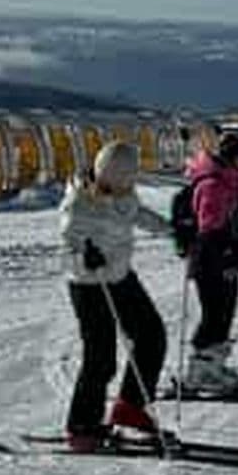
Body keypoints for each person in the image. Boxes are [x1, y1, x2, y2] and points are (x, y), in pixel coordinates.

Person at [59, 140, 171, 450]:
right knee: (101, 357)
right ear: (110, 174)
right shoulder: (78, 205)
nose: (130, 184)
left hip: (120, 276)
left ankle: (130, 407)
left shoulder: (123, 194)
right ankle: (81, 426)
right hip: (90, 284)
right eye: (127, 178)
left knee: (152, 336)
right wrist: (84, 258)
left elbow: (136, 214)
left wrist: (173, 230)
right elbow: (67, 250)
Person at [183, 128, 238, 393]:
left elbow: (234, 225)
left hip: (223, 261)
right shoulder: (213, 184)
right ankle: (199, 371)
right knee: (214, 315)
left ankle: (213, 366)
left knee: (224, 314)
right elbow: (209, 231)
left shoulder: (228, 179)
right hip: (211, 262)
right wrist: (227, 259)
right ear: (233, 157)